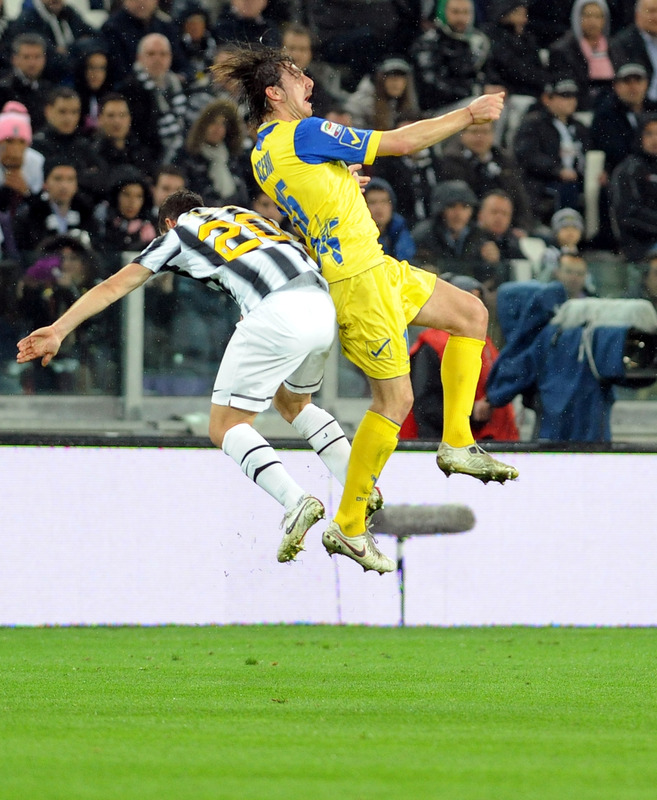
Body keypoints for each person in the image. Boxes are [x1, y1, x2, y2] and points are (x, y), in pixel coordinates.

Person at [215, 47, 518, 571]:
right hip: (357, 280)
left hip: (375, 267)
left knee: (471, 314)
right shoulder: (306, 134)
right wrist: (470, 113)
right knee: (393, 401)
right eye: (295, 76)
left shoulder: (264, 152)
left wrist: (342, 186)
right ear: (273, 94)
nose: (308, 81)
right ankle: (350, 527)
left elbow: (313, 199)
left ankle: (458, 443)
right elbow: (399, 142)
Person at [16, 189, 388, 571]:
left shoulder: (179, 233)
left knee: (225, 426)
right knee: (295, 404)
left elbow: (115, 285)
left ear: (167, 223)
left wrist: (60, 329)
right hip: (320, 305)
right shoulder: (245, 216)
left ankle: (296, 502)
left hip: (278, 311)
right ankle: (360, 486)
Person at [400, 273, 519, 442]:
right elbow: (425, 405)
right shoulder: (432, 344)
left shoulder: (484, 343)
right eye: (469, 299)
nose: (475, 309)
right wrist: (471, 413)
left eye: (479, 301)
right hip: (437, 444)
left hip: (481, 440)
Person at [513, 79, 590, 225]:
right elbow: (527, 155)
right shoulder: (533, 124)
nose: (570, 101)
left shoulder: (580, 127)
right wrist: (557, 170)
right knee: (567, 189)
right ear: (547, 98)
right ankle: (565, 233)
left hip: (578, 178)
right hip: (544, 181)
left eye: (573, 96)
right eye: (564, 96)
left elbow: (589, 153)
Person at [117, 33, 187, 166]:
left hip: (177, 157)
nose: (157, 59)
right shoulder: (129, 90)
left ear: (170, 58)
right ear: (139, 58)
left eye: (163, 54)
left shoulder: (178, 86)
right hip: (144, 161)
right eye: (151, 54)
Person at [410, 0, 490, 115]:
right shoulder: (429, 43)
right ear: (442, 12)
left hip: (468, 101)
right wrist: (469, 92)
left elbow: (486, 74)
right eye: (455, 12)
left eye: (466, 12)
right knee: (477, 107)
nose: (461, 18)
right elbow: (431, 85)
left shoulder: (479, 42)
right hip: (436, 111)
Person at [411, 179, 494, 272]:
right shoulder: (423, 235)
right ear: (440, 209)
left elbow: (488, 277)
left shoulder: (480, 235)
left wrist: (492, 262)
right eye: (452, 206)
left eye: (465, 206)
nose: (458, 213)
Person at [548, 0, 615, 112]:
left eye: (598, 16)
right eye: (587, 16)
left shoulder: (614, 47)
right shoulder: (562, 50)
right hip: (580, 108)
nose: (592, 21)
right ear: (577, 17)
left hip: (612, 108)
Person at [610, 113, 657, 261]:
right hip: (640, 246)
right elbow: (627, 214)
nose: (655, 139)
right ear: (639, 137)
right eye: (649, 134)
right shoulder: (627, 170)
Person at [344, 57, 420, 131]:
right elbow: (356, 137)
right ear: (380, 81)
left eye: (400, 78)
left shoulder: (408, 101)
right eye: (391, 78)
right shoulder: (360, 103)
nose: (396, 83)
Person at [0, 33, 54, 134]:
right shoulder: (4, 89)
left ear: (44, 59)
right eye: (26, 57)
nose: (32, 63)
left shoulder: (48, 89)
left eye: (37, 57)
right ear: (15, 59)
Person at [0, 101, 44, 218]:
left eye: (21, 142)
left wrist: (26, 191)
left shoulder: (37, 161)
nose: (15, 148)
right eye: (9, 141)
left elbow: (42, 208)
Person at [610, 0, 657, 109]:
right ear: (638, 15)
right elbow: (627, 81)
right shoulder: (623, 43)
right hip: (640, 108)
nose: (656, 17)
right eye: (651, 11)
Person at [363, 177, 416, 262]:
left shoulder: (400, 228)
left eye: (384, 201)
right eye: (372, 202)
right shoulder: (358, 235)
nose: (379, 207)